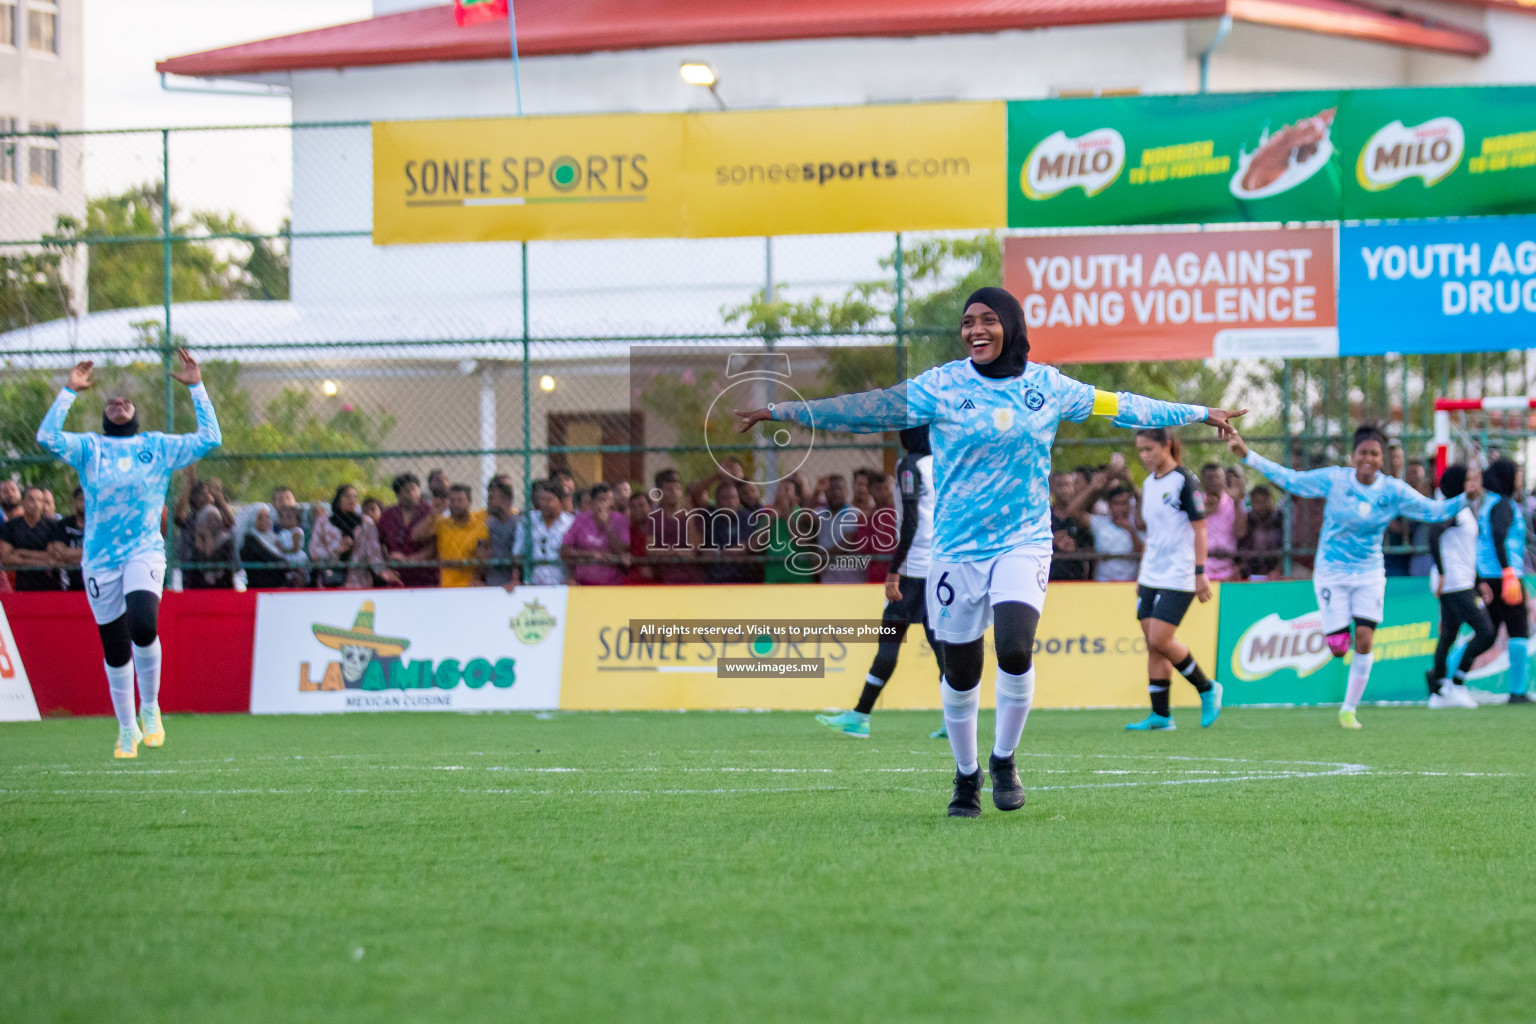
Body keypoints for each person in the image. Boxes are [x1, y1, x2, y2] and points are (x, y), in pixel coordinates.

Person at [736, 286, 1243, 817]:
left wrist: (1201, 411)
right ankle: (965, 774)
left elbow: (1126, 406)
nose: (975, 330)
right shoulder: (942, 385)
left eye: (987, 320)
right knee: (960, 672)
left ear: (1011, 324)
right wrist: (782, 409)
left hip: (1024, 541)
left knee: (1016, 647)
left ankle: (1003, 760)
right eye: (967, 322)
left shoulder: (1048, 386)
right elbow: (866, 409)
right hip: (955, 548)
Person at [34, 352, 220, 758]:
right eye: (111, 402)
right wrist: (68, 390)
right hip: (100, 559)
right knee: (116, 649)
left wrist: (195, 385)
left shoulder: (156, 446)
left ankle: (150, 708)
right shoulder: (89, 448)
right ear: (103, 415)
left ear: (136, 414)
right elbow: (47, 438)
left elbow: (211, 439)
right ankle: (125, 728)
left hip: (144, 551)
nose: (118, 403)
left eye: (126, 402)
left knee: (142, 623)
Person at [1228, 424, 1464, 729]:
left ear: (1382, 459)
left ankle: (1349, 709)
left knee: (1365, 639)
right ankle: (1338, 633)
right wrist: (1247, 455)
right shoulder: (1335, 479)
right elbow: (1293, 481)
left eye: (1374, 453)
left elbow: (1432, 511)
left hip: (1368, 574)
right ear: (1353, 456)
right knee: (1339, 647)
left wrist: (1467, 499)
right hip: (1331, 573)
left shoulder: (1391, 490)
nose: (1368, 458)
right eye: (1363, 452)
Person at [817, 426, 947, 740]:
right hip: (938, 568)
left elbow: (912, 518)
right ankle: (955, 720)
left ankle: (859, 717)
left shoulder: (908, 465)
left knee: (889, 643)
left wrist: (895, 568)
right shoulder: (942, 463)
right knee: (943, 649)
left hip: (911, 571)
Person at [1124, 428, 1221, 731]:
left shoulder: (1184, 480)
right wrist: (1142, 574)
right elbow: (1153, 536)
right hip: (1152, 572)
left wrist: (1200, 571)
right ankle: (1161, 715)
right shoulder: (1148, 483)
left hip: (1179, 573)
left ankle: (1206, 688)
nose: (1144, 456)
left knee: (1160, 638)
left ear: (1167, 446)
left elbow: (1201, 528)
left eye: (1149, 449)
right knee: (1153, 645)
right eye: (1140, 450)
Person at [1425, 463, 1491, 709]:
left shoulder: (1463, 509)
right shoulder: (1451, 509)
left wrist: (1479, 580)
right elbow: (1433, 535)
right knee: (1486, 631)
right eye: (1470, 480)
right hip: (1455, 583)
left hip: (1463, 580)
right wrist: (1442, 573)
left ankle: (1438, 691)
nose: (1475, 484)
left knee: (1448, 636)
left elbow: (1465, 551)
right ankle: (1457, 683)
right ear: (1459, 484)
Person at [1474, 459, 1532, 703]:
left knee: (1487, 634)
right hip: (1503, 577)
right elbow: (1499, 536)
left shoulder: (1491, 502)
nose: (1520, 479)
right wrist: (1509, 571)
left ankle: (1444, 677)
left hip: (1490, 576)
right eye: (1518, 474)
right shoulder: (1503, 505)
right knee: (1519, 630)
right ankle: (1518, 691)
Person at [311, 483, 401, 590]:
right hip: (330, 579)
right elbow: (314, 551)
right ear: (338, 499)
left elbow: (373, 552)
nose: (351, 499)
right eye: (347, 496)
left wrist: (382, 571)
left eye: (355, 496)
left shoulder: (366, 523)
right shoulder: (323, 522)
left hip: (358, 581)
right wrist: (336, 550)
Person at [412, 483, 489, 587]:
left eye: (460, 500)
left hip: (468, 587)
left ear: (469, 502)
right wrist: (434, 513)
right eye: (452, 501)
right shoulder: (442, 524)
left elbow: (482, 558)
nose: (456, 504)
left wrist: (477, 578)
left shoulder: (480, 527)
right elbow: (416, 535)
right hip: (446, 587)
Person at [561, 483, 629, 585]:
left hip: (613, 583)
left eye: (609, 500)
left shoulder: (620, 520)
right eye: (601, 500)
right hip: (583, 582)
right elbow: (565, 550)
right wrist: (591, 555)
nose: (606, 504)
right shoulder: (580, 520)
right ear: (592, 502)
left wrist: (607, 525)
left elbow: (622, 550)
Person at [377, 472, 437, 587]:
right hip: (396, 578)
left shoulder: (429, 513)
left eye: (414, 489)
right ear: (398, 494)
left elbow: (433, 546)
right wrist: (386, 564)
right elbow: (380, 544)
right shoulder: (388, 515)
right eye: (406, 490)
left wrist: (408, 560)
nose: (412, 493)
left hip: (426, 578)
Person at [0, 486, 65, 591]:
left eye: (40, 500)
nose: (36, 504)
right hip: (22, 586)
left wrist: (21, 552)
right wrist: (43, 562)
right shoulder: (11, 526)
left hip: (51, 585)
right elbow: (6, 558)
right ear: (22, 502)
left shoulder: (53, 525)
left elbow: (54, 556)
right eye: (31, 499)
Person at [645, 468, 704, 584]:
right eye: (668, 489)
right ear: (659, 493)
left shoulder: (693, 514)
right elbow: (650, 550)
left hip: (692, 576)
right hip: (666, 577)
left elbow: (696, 546)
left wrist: (690, 516)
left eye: (677, 488)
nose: (673, 492)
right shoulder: (654, 518)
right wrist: (675, 552)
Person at [515, 479, 575, 586]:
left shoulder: (571, 523)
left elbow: (574, 557)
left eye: (549, 500)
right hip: (533, 583)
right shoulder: (527, 521)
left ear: (560, 502)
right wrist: (515, 579)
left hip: (562, 583)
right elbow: (517, 552)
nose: (543, 504)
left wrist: (571, 578)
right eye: (541, 499)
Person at [756, 478, 811, 584]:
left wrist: (786, 516)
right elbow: (755, 545)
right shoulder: (769, 517)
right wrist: (771, 518)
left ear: (797, 497)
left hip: (799, 579)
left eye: (786, 490)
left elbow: (800, 543)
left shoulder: (804, 516)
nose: (781, 494)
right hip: (774, 578)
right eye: (779, 490)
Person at [1201, 461, 1247, 581]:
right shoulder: (1196, 501)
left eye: (1218, 477)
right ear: (1202, 481)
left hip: (1228, 570)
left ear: (1224, 480)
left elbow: (1240, 532)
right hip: (1201, 569)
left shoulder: (1233, 502)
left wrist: (1237, 502)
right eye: (1210, 478)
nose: (1214, 481)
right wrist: (1206, 510)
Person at [704, 480, 756, 584]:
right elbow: (707, 553)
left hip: (745, 577)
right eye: (725, 498)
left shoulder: (748, 518)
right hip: (717, 578)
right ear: (717, 502)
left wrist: (720, 552)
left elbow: (745, 547)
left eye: (733, 497)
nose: (730, 502)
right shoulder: (711, 520)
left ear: (738, 500)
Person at [817, 474, 865, 584]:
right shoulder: (820, 513)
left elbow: (844, 545)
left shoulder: (854, 514)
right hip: (828, 577)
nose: (836, 492)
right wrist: (816, 492)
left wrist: (820, 557)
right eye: (832, 489)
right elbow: (804, 521)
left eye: (840, 489)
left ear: (847, 491)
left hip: (851, 577)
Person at [1048, 470, 1093, 582]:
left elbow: (1090, 547)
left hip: (1076, 579)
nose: (1064, 490)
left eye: (1068, 485)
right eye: (1060, 485)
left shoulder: (1081, 518)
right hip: (1049, 578)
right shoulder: (1045, 516)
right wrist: (1052, 541)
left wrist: (1074, 548)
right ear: (1051, 488)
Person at [240, 507, 294, 589]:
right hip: (262, 585)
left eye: (267, 517)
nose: (265, 520)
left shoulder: (273, 538)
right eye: (260, 517)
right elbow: (269, 557)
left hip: (278, 583)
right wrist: (286, 564)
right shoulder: (250, 539)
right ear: (253, 519)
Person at [185, 503, 235, 589]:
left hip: (222, 585)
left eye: (216, 519)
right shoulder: (196, 539)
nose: (213, 523)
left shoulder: (226, 540)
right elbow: (200, 562)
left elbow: (214, 560)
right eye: (209, 519)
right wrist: (205, 537)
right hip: (200, 587)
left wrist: (209, 538)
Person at [481, 476, 519, 587]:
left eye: (491, 498)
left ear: (504, 499)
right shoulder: (488, 525)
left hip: (512, 585)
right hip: (491, 584)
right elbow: (482, 554)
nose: (488, 502)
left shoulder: (517, 524)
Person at [1241, 485, 1284, 579]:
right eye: (1257, 502)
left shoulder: (1280, 518)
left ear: (1270, 501)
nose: (1261, 506)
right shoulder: (1247, 520)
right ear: (1251, 502)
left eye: (1264, 501)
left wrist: (1278, 569)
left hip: (1275, 571)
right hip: (1251, 571)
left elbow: (1285, 546)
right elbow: (1241, 546)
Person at [50, 486, 86, 591]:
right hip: (69, 585)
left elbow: (103, 553)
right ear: (74, 501)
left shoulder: (99, 526)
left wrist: (70, 555)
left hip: (96, 582)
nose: (84, 503)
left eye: (88, 499)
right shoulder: (63, 524)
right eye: (81, 499)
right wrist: (90, 555)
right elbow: (59, 553)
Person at [273, 504, 309, 585]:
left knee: (298, 576)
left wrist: (282, 550)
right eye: (283, 518)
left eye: (289, 517)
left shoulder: (296, 531)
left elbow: (295, 549)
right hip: (285, 558)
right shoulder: (281, 533)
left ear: (297, 520)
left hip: (296, 558)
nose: (286, 520)